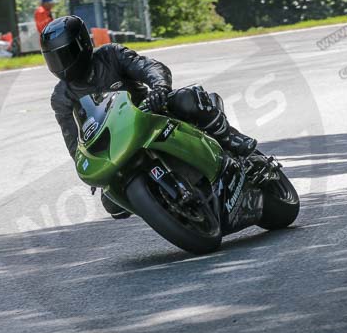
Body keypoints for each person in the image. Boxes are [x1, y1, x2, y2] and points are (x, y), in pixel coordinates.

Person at [42, 15, 258, 219]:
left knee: (187, 98)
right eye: (54, 59)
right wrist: (89, 162)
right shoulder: (61, 98)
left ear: (82, 44)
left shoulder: (110, 55)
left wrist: (159, 87)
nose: (61, 64)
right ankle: (169, 209)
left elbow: (148, 67)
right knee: (112, 203)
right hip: (116, 144)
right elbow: (73, 140)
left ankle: (230, 138)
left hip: (152, 113)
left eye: (65, 55)